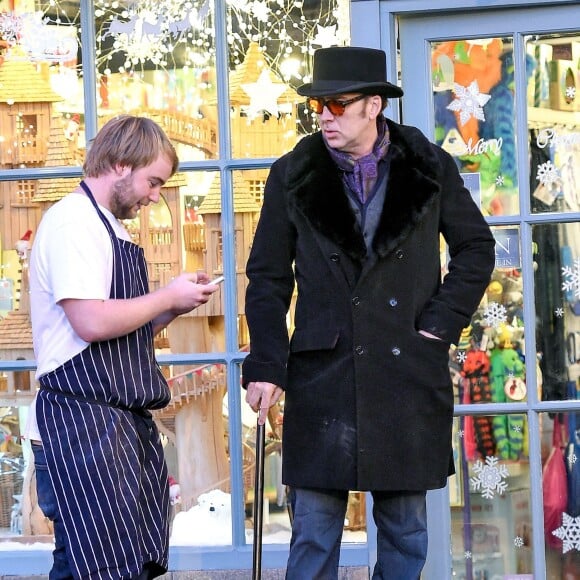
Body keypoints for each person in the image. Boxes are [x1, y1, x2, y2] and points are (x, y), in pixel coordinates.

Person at [241, 46, 496, 579]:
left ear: (374, 105)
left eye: (339, 104)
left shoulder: (429, 165)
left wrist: (439, 325)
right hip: (323, 371)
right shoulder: (292, 174)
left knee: (405, 533)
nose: (326, 116)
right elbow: (268, 277)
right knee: (313, 534)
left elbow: (476, 248)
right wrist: (266, 364)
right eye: (320, 106)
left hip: (407, 365)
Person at [27, 115, 220, 579]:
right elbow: (90, 321)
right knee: (99, 569)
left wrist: (171, 308)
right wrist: (165, 296)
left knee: (109, 566)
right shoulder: (73, 224)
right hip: (78, 425)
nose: (156, 196)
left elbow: (119, 333)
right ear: (118, 164)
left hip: (114, 424)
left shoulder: (113, 229)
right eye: (152, 182)